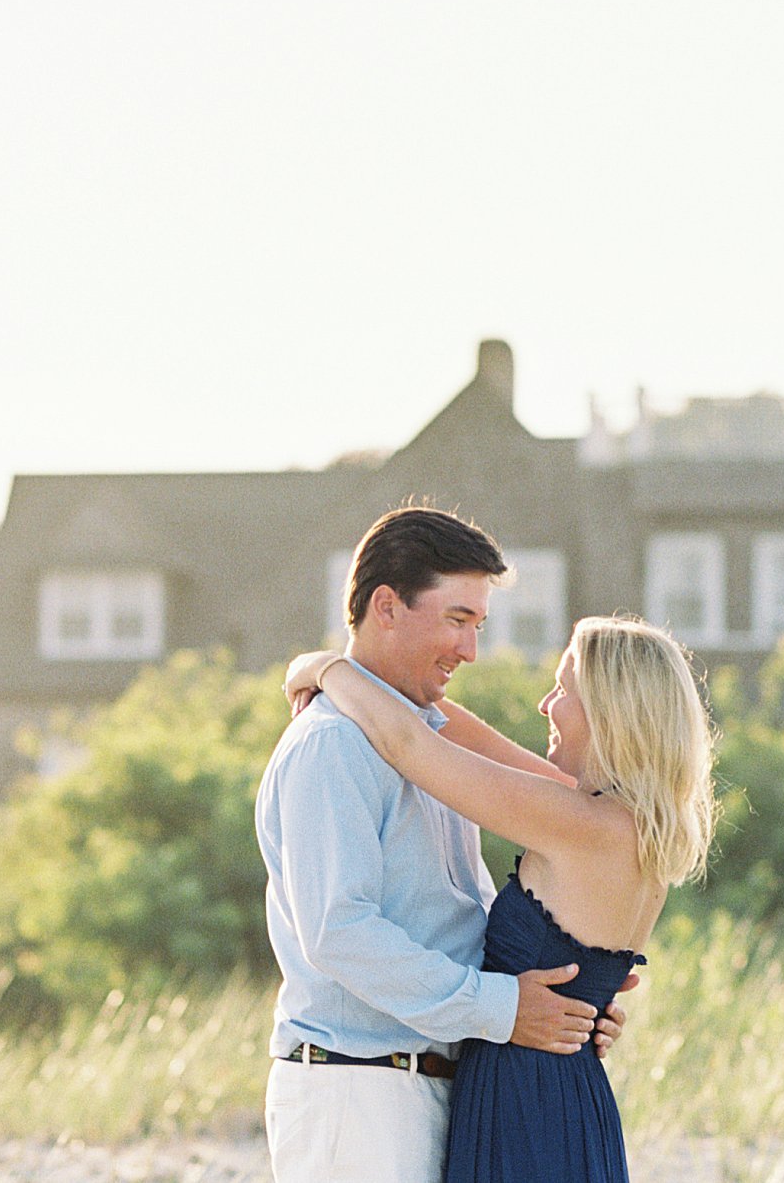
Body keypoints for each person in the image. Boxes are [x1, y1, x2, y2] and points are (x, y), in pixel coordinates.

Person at [255, 506, 627, 1183]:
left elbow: (457, 911)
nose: (470, 651)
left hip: (438, 1084)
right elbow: (340, 932)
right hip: (359, 1093)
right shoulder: (333, 744)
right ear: (387, 606)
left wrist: (571, 994)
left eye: (477, 626)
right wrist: (507, 1009)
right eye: (458, 620)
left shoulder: (426, 745)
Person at [285, 613, 717, 1183]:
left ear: (612, 712)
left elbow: (408, 742)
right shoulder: (625, 824)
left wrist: (324, 667)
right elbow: (456, 733)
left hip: (526, 1099)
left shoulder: (582, 824)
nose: (545, 705)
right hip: (562, 1090)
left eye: (563, 690)